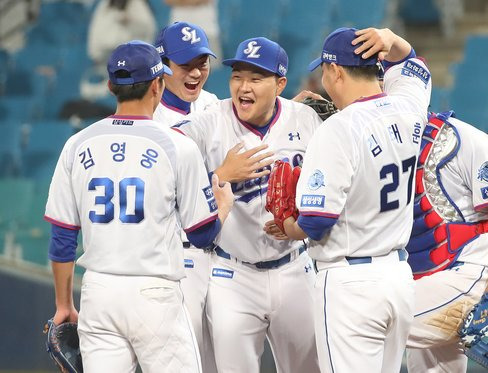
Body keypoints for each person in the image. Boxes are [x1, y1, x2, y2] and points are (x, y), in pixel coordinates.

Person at [44, 40, 233, 372]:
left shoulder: (77, 144)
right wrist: (223, 208)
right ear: (158, 85)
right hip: (154, 292)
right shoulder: (178, 145)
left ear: (110, 86)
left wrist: (63, 304)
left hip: (98, 292)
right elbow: (202, 235)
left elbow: (62, 237)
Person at [278, 27, 432, 372]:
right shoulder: (410, 107)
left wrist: (287, 227)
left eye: (324, 71)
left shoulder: (337, 129)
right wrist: (392, 41)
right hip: (398, 278)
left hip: (351, 285)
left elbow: (316, 222)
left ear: (335, 71)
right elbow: (412, 64)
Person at [173, 36, 323, 373]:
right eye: (238, 76)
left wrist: (300, 221)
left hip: (294, 269)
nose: (243, 86)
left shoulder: (306, 119)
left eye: (256, 78)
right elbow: (167, 166)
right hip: (232, 274)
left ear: (279, 84)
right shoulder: (210, 120)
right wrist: (221, 173)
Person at [404, 109, 488, 372]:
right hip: (425, 279)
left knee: (371, 319)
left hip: (467, 267)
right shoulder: (391, 143)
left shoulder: (463, 138)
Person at [152, 21, 221, 372]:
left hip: (223, 258)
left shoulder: (213, 105)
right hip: (178, 258)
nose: (196, 72)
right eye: (185, 65)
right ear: (161, 65)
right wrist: (223, 176)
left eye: (202, 63)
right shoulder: (148, 116)